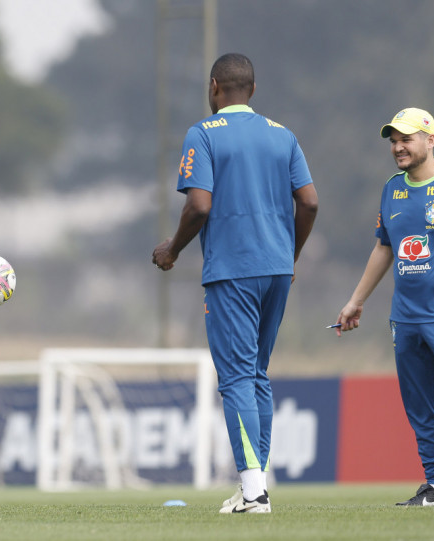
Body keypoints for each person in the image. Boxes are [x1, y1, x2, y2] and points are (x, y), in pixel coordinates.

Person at [151, 53, 318, 513]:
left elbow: (199, 206)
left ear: (213, 88)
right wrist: (291, 254)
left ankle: (253, 492)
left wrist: (173, 249)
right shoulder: (283, 135)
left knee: (237, 378)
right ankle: (254, 486)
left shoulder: (202, 134)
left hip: (232, 271)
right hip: (277, 270)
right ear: (254, 90)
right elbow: (309, 203)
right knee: (257, 375)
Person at [335, 107, 434, 506]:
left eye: (406, 138)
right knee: (421, 406)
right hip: (406, 317)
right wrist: (356, 301)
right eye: (393, 140)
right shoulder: (392, 189)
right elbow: (384, 247)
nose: (398, 146)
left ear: (430, 140)